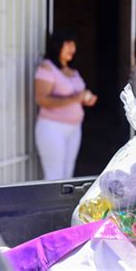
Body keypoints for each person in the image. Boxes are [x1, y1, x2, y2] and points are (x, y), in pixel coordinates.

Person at [34, 30, 98, 180]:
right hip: (52, 128)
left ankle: (64, 204)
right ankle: (52, 204)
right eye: (68, 44)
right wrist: (76, 98)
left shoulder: (72, 71)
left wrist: (85, 99)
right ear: (57, 46)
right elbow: (41, 99)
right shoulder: (47, 68)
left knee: (68, 175)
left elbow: (77, 97)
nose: (72, 49)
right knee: (54, 176)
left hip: (74, 129)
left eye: (73, 45)